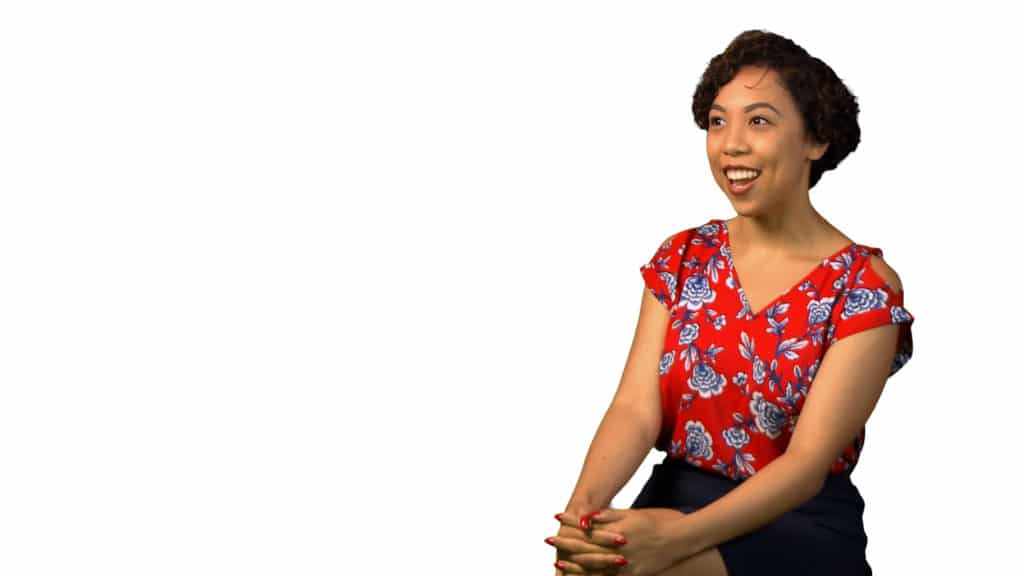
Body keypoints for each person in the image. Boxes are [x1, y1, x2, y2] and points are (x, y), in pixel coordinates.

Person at [543, 29, 914, 576]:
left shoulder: (863, 288)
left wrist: (674, 540)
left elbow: (806, 465)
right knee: (591, 562)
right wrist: (583, 512)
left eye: (759, 121)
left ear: (816, 139)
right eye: (718, 122)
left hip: (794, 518)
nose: (731, 144)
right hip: (674, 495)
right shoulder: (683, 257)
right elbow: (635, 408)